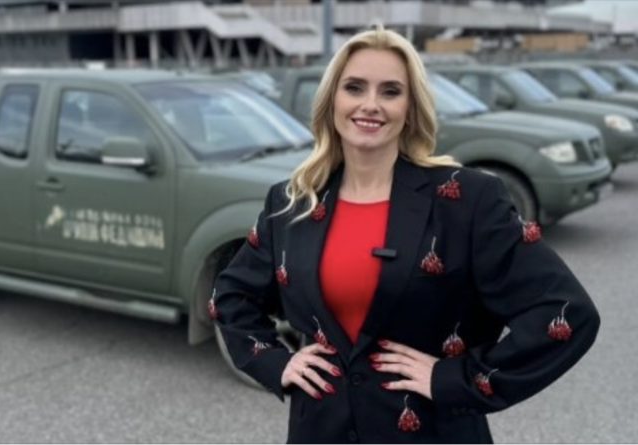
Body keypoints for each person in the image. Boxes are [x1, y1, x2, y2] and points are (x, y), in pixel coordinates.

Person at [211, 26, 600, 444]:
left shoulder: (467, 199)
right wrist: (275, 362)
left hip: (431, 430)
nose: (370, 104)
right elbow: (231, 296)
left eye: (391, 91)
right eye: (354, 87)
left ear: (410, 107)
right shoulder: (292, 202)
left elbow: (566, 311)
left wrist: (457, 378)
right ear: (332, 100)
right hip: (321, 430)